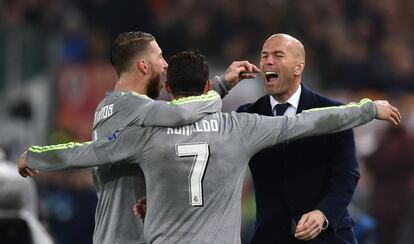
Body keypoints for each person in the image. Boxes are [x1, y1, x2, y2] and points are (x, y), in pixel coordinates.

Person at [19, 50, 400, 243]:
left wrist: (35, 156)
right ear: (207, 88)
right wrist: (367, 110)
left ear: (167, 90)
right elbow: (311, 120)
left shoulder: (148, 133)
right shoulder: (240, 127)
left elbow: (90, 151)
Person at [20, 31, 259, 244]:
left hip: (112, 231)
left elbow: (88, 150)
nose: (165, 65)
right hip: (130, 234)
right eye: (160, 56)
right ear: (144, 65)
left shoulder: (108, 106)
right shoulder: (137, 109)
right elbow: (183, 112)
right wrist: (221, 86)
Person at [237, 33, 367, 243]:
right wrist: (223, 86)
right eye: (264, 56)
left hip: (327, 236)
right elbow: (208, 134)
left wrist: (322, 214)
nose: (268, 61)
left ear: (298, 67)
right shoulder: (247, 115)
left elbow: (347, 174)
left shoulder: (333, 112)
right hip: (270, 237)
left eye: (278, 55)